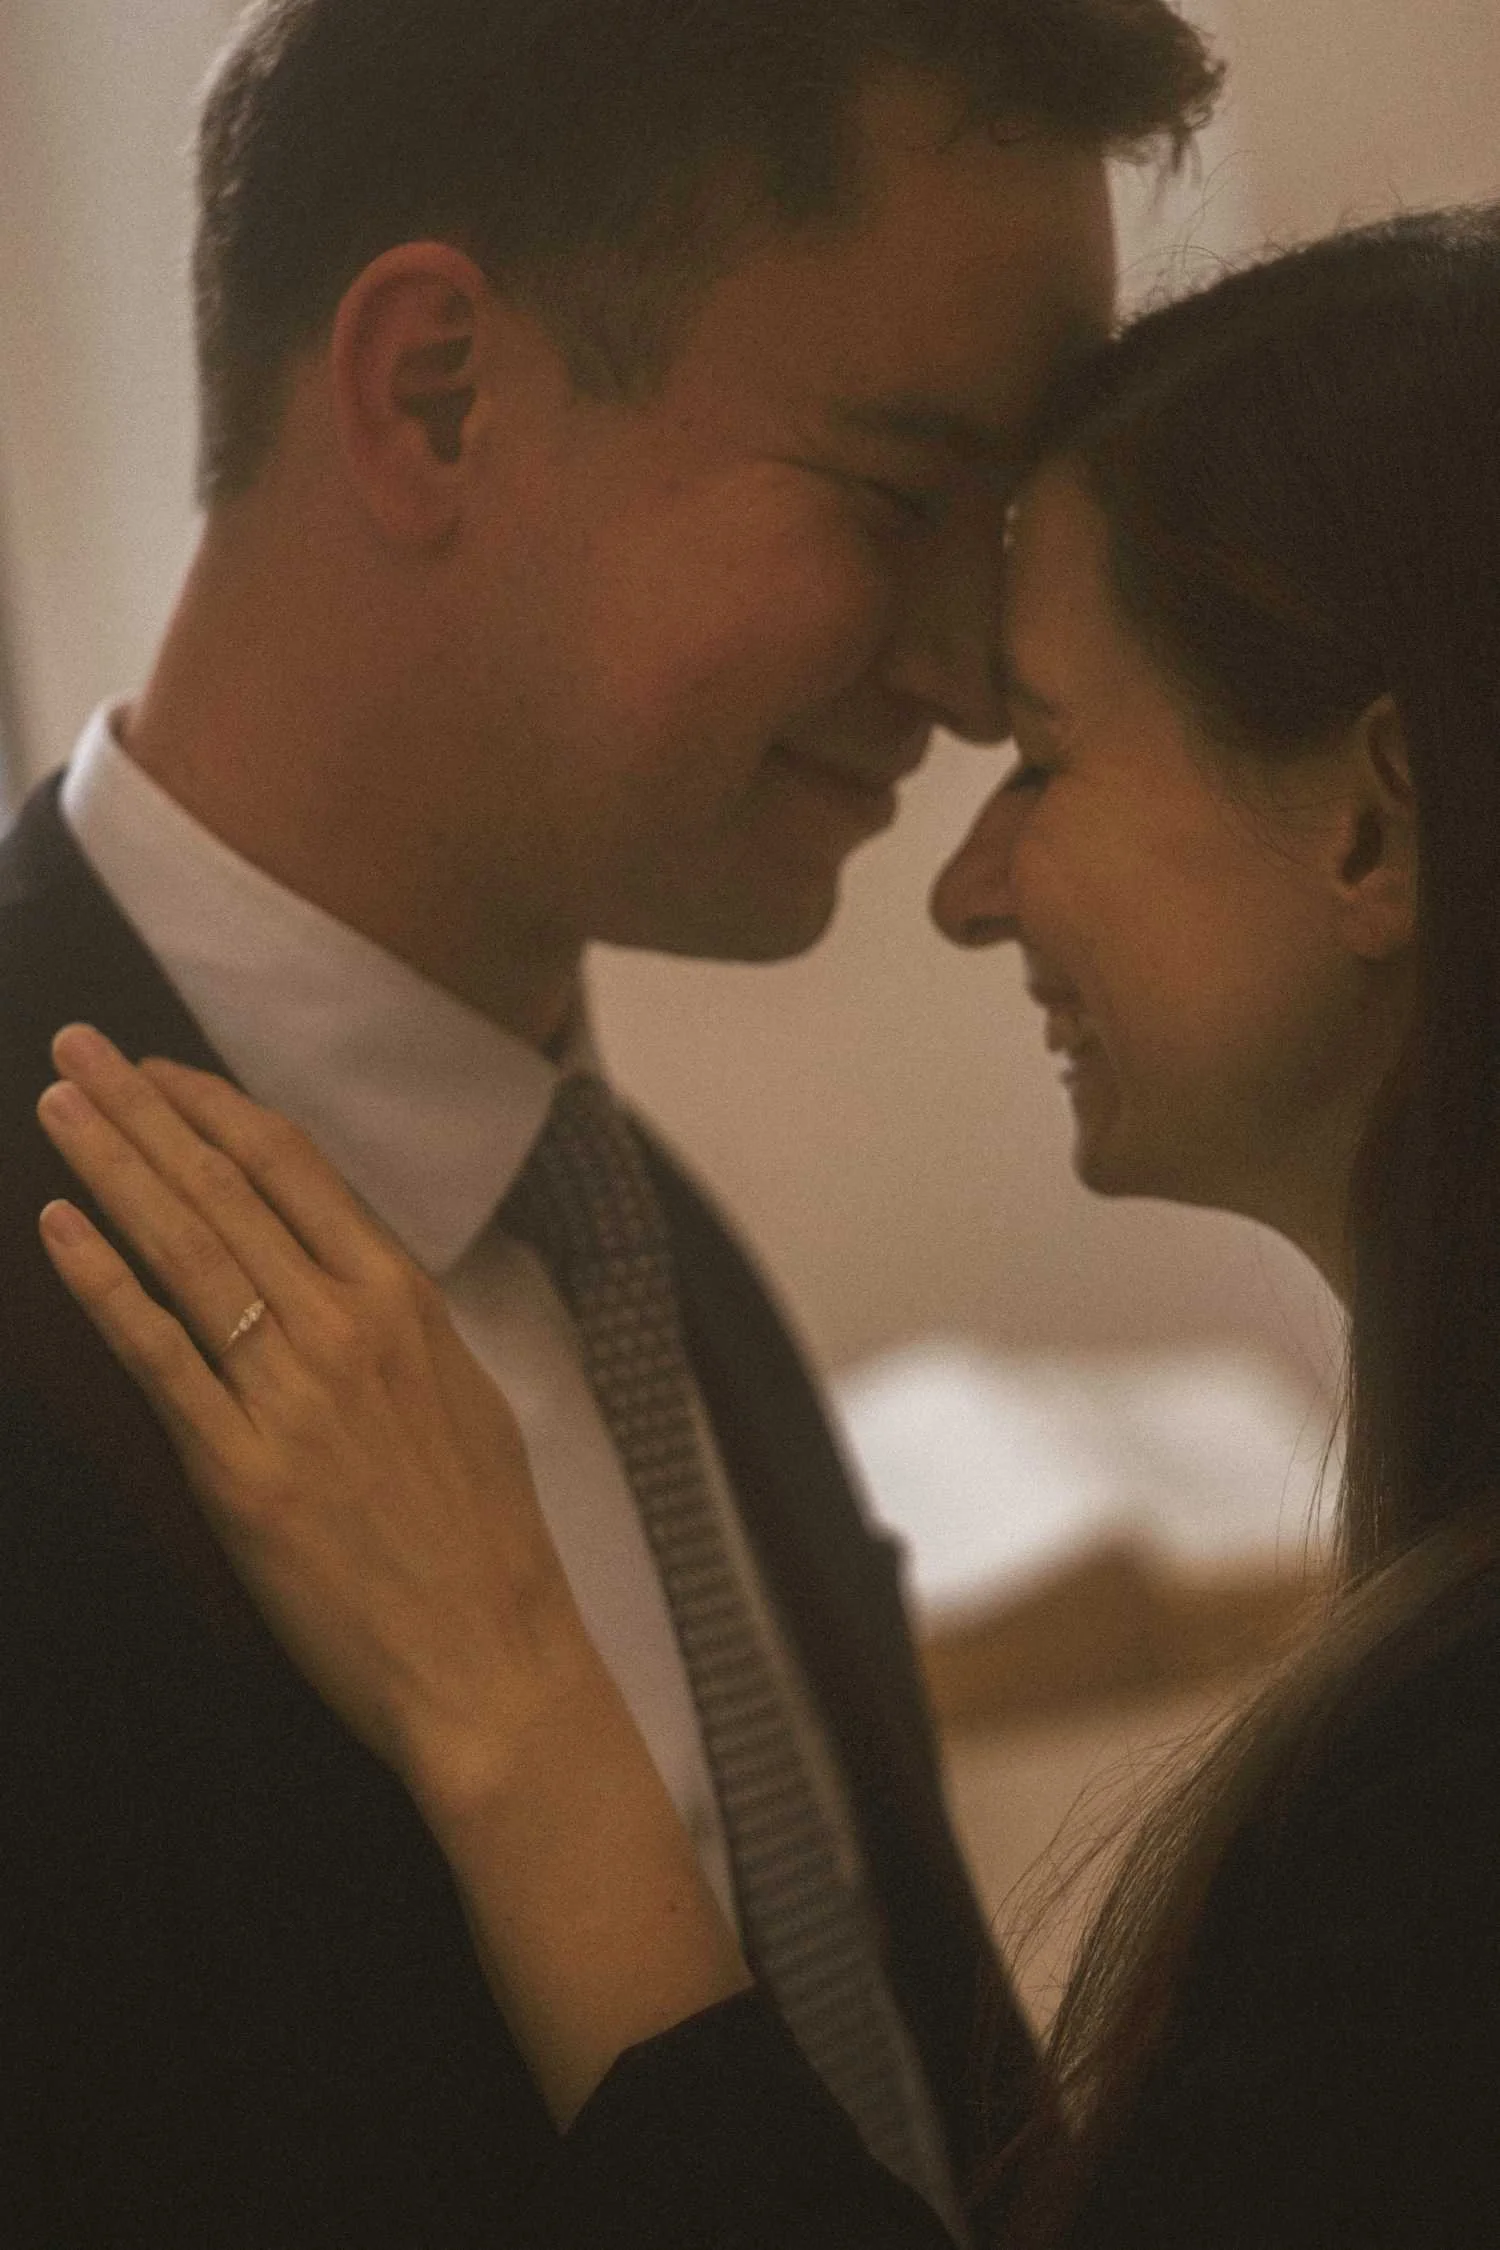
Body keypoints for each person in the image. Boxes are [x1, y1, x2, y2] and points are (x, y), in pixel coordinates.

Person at [34, 200, 1500, 2247]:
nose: (955, 688)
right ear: (435, 397)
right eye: (898, 487)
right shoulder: (658, 1261)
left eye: (1050, 736)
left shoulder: (660, 1280)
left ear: (1371, 825)